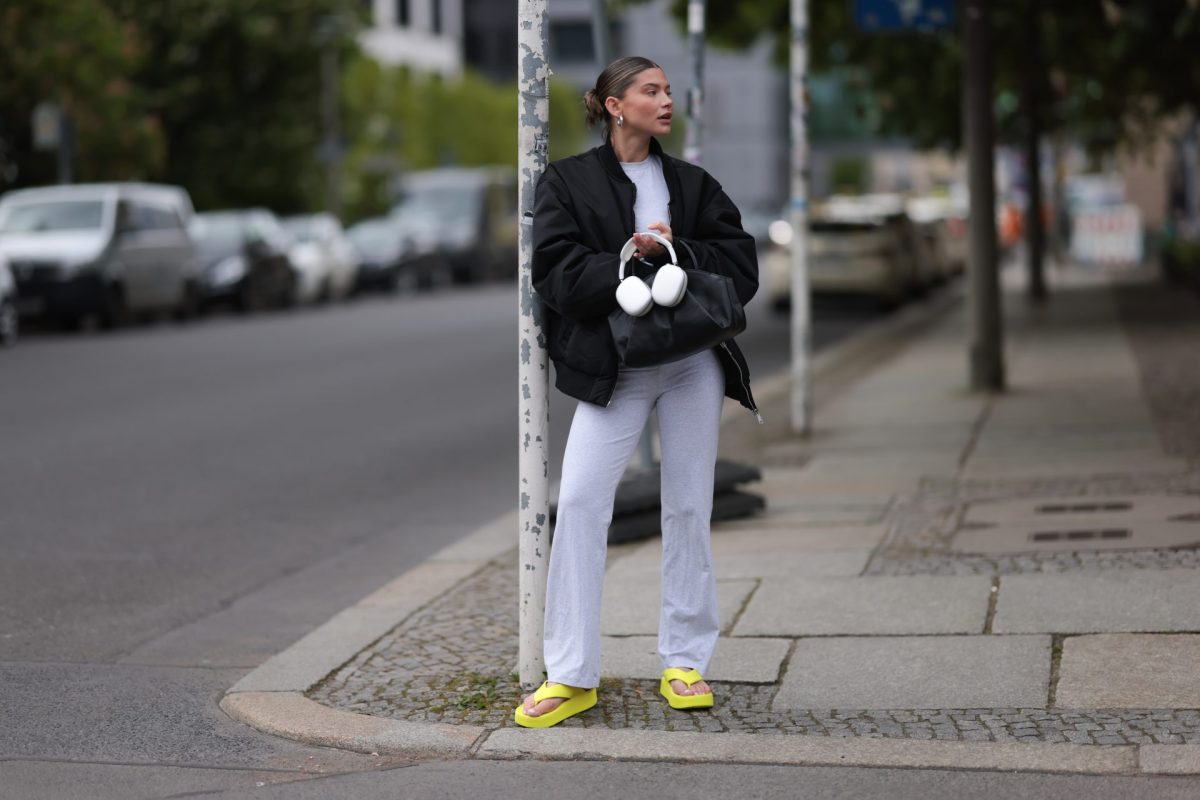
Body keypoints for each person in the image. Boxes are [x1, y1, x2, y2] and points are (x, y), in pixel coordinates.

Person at [516, 56, 759, 728]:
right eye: (650, 91)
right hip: (613, 364)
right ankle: (570, 675)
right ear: (613, 105)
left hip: (691, 361)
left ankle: (685, 662)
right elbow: (555, 272)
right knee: (585, 503)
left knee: (688, 507)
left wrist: (679, 251)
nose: (665, 101)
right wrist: (623, 256)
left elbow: (740, 263)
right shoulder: (567, 182)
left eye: (668, 91)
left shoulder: (691, 183)